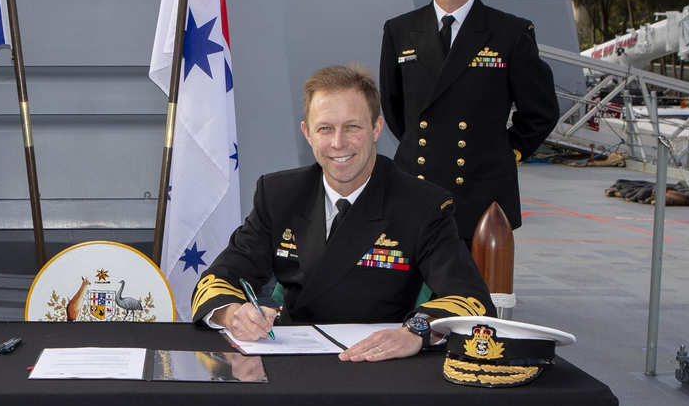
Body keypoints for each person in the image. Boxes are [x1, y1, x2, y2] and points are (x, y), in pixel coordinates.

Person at [191, 64, 493, 362]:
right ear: (307, 133)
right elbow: (218, 280)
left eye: (352, 127)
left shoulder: (421, 204)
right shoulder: (279, 195)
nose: (338, 143)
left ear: (376, 128)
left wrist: (415, 332)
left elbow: (471, 300)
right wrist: (233, 314)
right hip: (296, 358)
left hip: (382, 361)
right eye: (325, 129)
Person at [378, 0, 559, 242]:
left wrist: (504, 154)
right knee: (412, 293)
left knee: (475, 293)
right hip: (415, 184)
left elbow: (541, 110)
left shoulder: (510, 33)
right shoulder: (399, 31)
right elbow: (395, 110)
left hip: (480, 192)